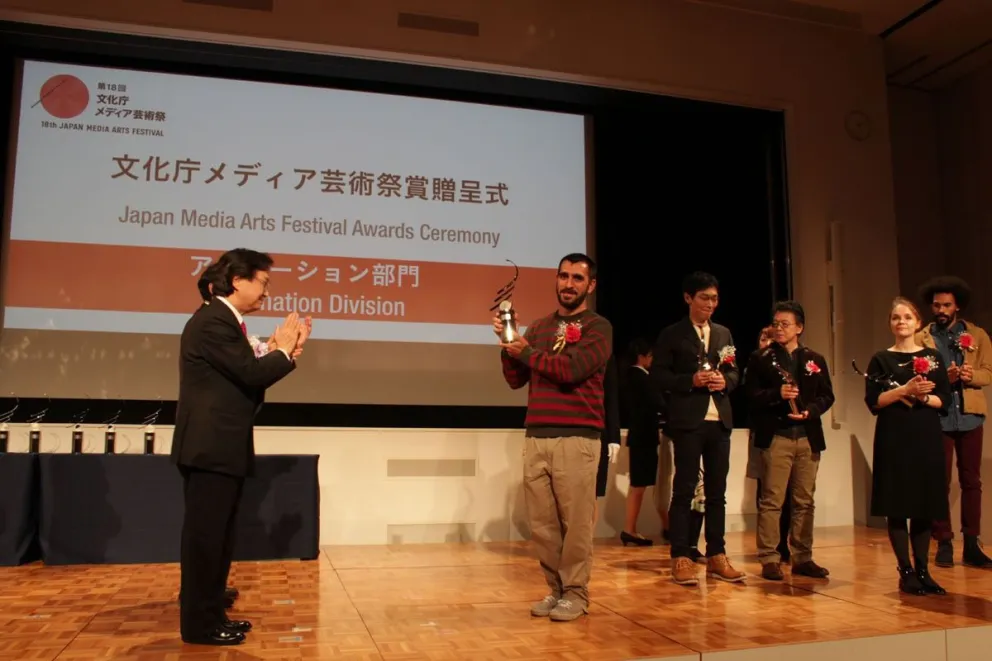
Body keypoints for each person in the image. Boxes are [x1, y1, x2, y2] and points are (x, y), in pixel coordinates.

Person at [172, 249, 310, 645]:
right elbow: (249, 374)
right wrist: (282, 350)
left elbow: (241, 371)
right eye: (263, 282)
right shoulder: (215, 321)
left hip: (219, 445)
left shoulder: (223, 322)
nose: (267, 292)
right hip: (209, 446)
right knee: (206, 538)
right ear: (238, 280)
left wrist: (283, 352)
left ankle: (212, 613)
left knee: (219, 536)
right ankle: (199, 624)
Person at [495, 252, 612, 622]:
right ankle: (555, 590)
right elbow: (516, 381)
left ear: (590, 286)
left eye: (578, 278)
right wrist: (507, 345)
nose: (568, 284)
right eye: (563, 276)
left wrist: (526, 352)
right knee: (543, 526)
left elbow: (572, 369)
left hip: (577, 438)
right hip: (537, 435)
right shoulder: (541, 326)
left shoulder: (598, 327)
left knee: (575, 523)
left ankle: (576, 593)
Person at [650, 271, 745, 585]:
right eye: (704, 297)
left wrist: (725, 381)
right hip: (688, 421)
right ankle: (681, 555)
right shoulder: (672, 334)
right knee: (684, 490)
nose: (710, 304)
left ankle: (716, 555)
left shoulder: (723, 334)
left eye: (715, 298)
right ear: (688, 298)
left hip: (719, 420)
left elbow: (734, 374)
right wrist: (689, 381)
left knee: (717, 493)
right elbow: (659, 377)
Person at [864, 296, 949, 595]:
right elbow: (874, 401)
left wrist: (923, 396)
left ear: (918, 323)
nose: (901, 322)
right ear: (890, 323)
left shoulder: (933, 356)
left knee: (924, 504)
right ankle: (906, 570)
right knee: (897, 505)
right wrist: (905, 389)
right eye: (896, 318)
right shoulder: (880, 358)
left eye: (907, 317)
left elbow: (944, 401)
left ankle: (924, 570)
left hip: (925, 435)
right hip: (894, 436)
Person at [746, 302, 833, 580]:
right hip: (777, 437)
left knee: (804, 500)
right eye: (776, 323)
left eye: (785, 324)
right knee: (772, 500)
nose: (779, 328)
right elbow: (751, 396)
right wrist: (776, 394)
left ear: (799, 327)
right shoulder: (761, 358)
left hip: (808, 437)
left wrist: (812, 411)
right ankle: (770, 558)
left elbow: (827, 395)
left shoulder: (815, 359)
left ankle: (803, 556)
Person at [916, 276, 992, 568]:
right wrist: (941, 380)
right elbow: (918, 376)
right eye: (937, 305)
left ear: (957, 305)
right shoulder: (924, 337)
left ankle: (972, 542)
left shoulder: (977, 335)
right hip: (939, 416)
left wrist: (973, 376)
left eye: (947, 304)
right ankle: (943, 541)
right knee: (940, 480)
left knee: (972, 480)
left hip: (970, 415)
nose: (941, 310)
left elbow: (988, 372)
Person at [744, 326, 790, 562]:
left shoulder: (785, 366)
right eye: (763, 338)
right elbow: (749, 397)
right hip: (761, 435)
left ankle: (784, 543)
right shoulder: (755, 366)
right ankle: (769, 545)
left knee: (788, 492)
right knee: (765, 488)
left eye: (772, 338)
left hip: (785, 434)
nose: (767, 342)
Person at [620, 338, 659, 546]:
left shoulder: (632, 376)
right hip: (643, 437)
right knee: (639, 485)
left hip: (641, 436)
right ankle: (630, 529)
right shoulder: (640, 377)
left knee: (639, 485)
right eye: (650, 355)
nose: (652, 359)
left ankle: (631, 529)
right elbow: (655, 402)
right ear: (641, 356)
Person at [595, 354, 621, 523]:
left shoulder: (603, 353)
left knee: (592, 494)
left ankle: (585, 545)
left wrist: (614, 437)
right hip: (567, 427)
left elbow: (611, 396)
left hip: (597, 430)